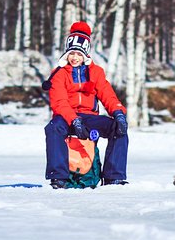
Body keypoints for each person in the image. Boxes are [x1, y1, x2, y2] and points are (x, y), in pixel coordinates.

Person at [44, 21, 129, 189]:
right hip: (67, 117)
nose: (75, 57)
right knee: (53, 128)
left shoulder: (96, 72)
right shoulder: (59, 74)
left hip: (89, 118)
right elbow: (59, 102)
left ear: (86, 54)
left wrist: (119, 113)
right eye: (71, 53)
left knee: (118, 128)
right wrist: (74, 120)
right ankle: (58, 177)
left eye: (79, 53)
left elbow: (107, 94)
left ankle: (114, 177)